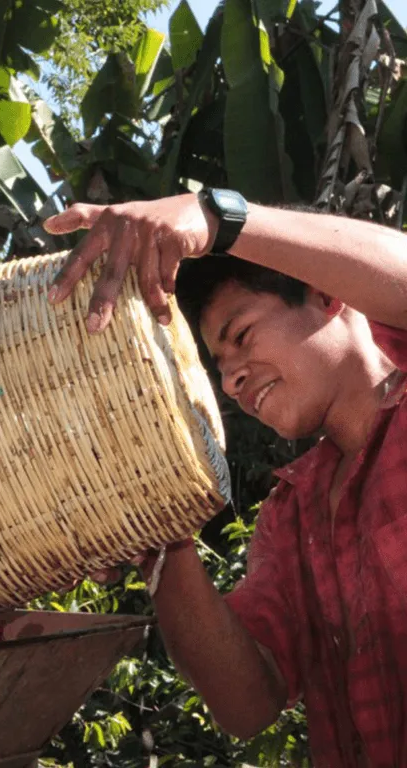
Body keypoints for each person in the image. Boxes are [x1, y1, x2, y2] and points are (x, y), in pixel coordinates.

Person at [43, 190, 407, 768]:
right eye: (221, 368)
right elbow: (247, 704)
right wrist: (163, 540)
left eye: (241, 336)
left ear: (325, 295)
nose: (232, 381)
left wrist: (217, 217)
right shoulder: (291, 516)